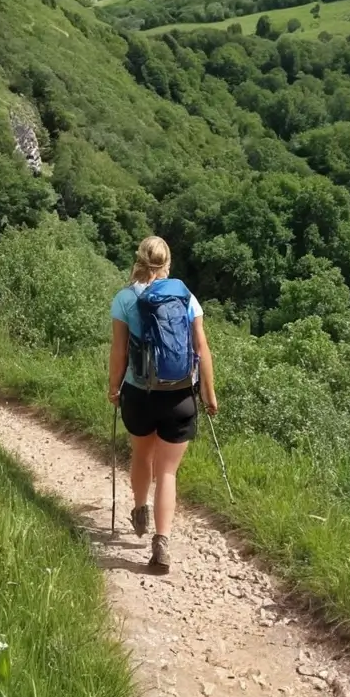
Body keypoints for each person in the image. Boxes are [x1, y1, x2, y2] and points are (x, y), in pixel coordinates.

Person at [108, 235, 218, 571]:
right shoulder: (186, 297)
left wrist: (114, 388)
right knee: (168, 471)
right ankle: (162, 542)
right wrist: (209, 394)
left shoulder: (125, 298)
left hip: (139, 394)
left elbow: (120, 351)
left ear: (139, 259)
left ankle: (140, 509)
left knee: (142, 454)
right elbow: (202, 349)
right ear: (168, 262)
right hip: (181, 395)